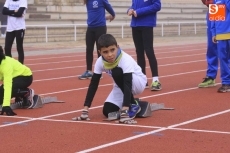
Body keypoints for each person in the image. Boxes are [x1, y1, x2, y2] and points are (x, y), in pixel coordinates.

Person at [74, 34, 147, 123]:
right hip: (120, 85)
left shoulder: (125, 59)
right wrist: (85, 110)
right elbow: (93, 84)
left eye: (112, 50)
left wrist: (125, 109)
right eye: (105, 52)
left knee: (116, 71)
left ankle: (133, 104)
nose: (110, 55)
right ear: (100, 52)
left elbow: (128, 83)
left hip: (137, 82)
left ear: (117, 47)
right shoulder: (100, 62)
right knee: (107, 111)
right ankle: (132, 102)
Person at [127, 0, 162, 91]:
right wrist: (129, 10)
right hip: (135, 25)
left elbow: (157, 5)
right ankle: (143, 80)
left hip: (147, 24)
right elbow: (133, 5)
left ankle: (155, 80)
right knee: (139, 53)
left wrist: (139, 12)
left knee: (149, 51)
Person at [78, 0, 115, 79]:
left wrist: (113, 15)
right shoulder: (87, 1)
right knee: (89, 49)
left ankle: (99, 72)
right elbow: (94, 13)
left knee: (100, 49)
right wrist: (105, 17)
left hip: (100, 27)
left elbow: (109, 8)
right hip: (90, 27)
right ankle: (88, 71)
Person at [0, 45, 34, 116]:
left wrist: (6, 105)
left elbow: (8, 85)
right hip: (14, 78)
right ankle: (18, 94)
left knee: (8, 89)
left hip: (25, 76)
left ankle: (26, 93)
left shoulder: (6, 65)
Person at [211, 0, 230, 92]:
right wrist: (213, 32)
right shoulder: (216, 1)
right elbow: (214, 16)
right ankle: (226, 82)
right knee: (223, 59)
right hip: (221, 34)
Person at [198, 0, 218, 88]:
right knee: (212, 47)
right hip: (213, 9)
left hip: (223, 9)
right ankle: (211, 76)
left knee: (225, 47)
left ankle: (227, 77)